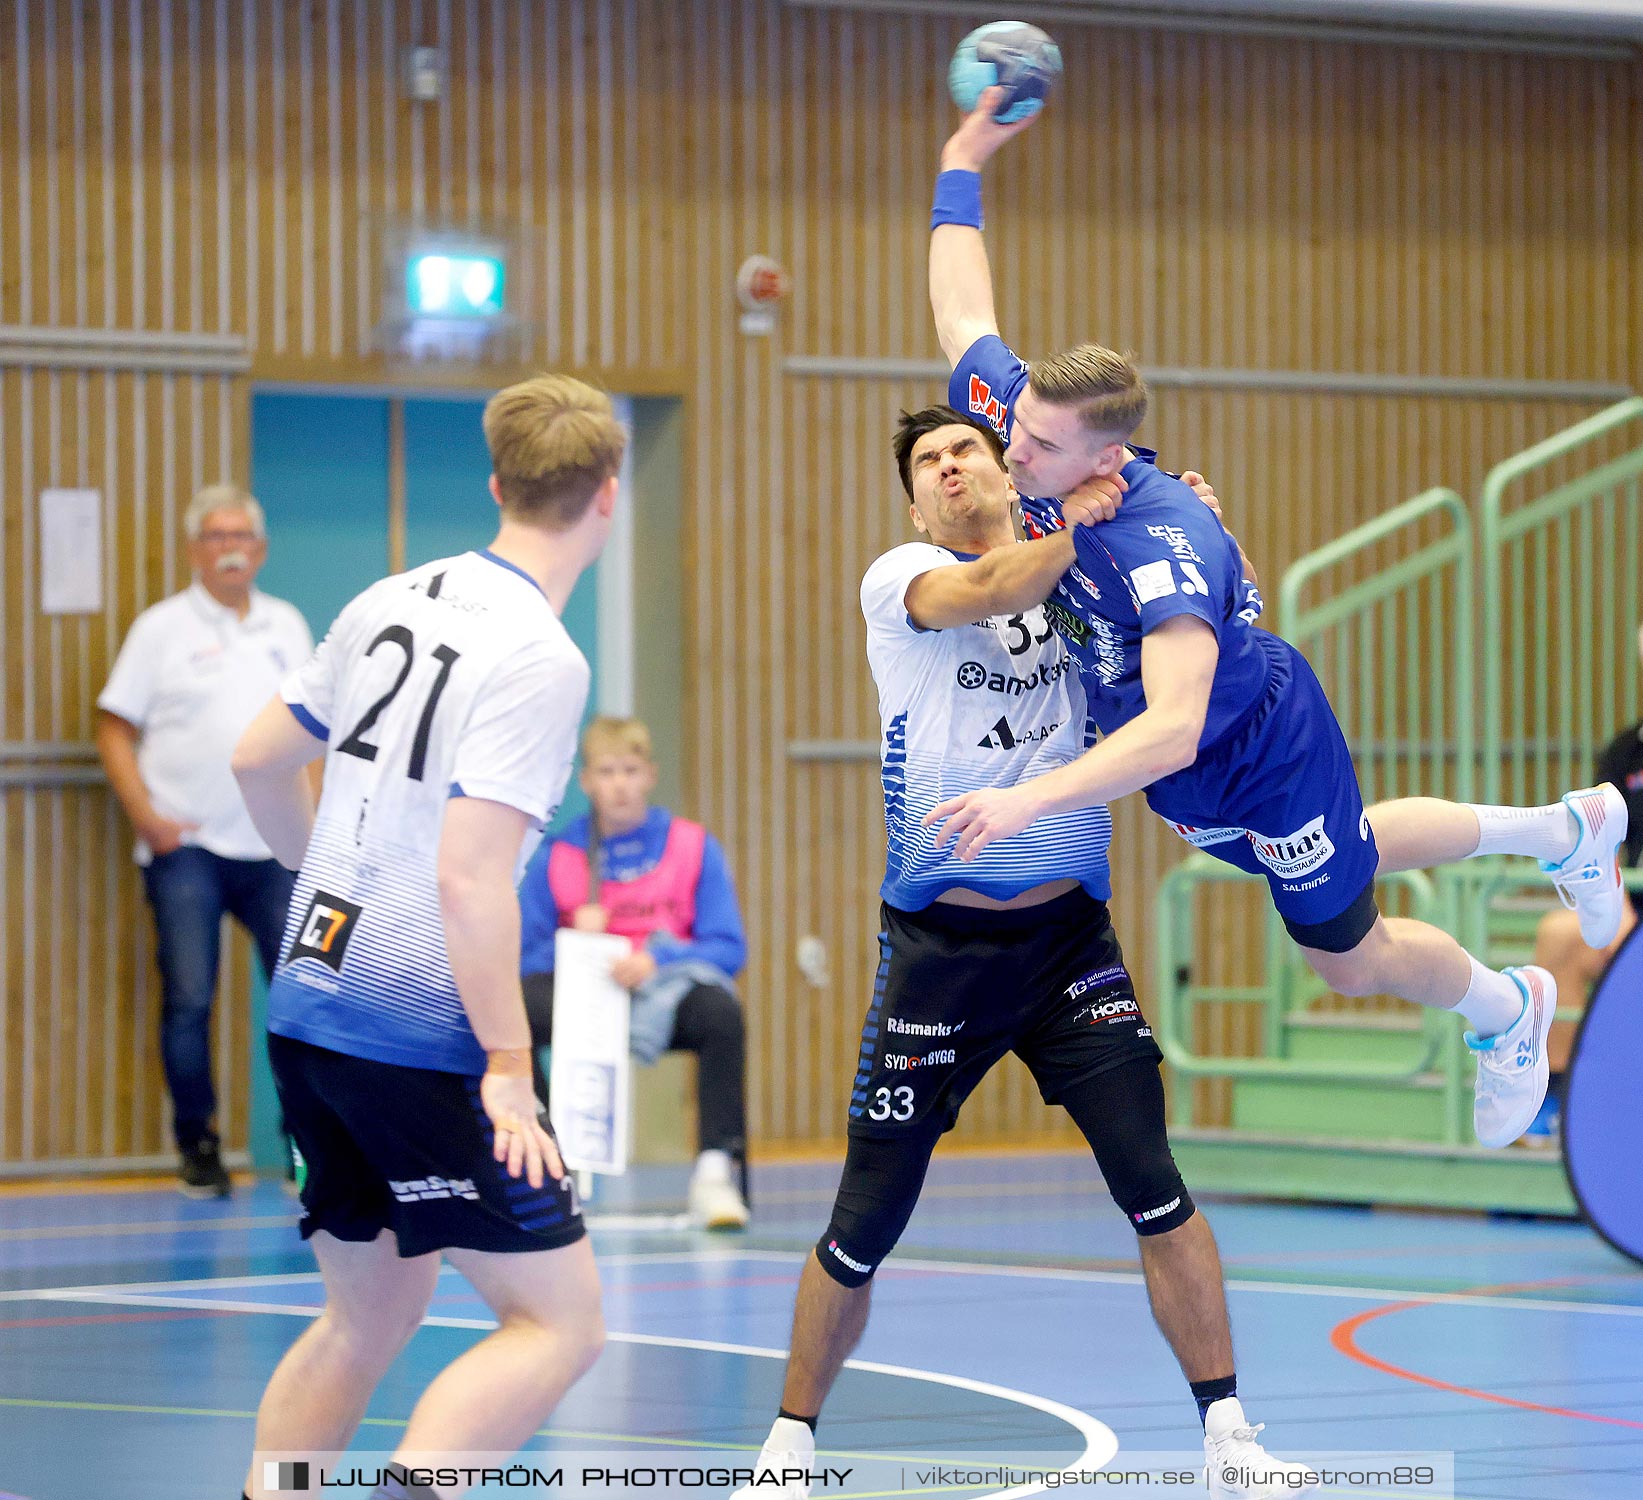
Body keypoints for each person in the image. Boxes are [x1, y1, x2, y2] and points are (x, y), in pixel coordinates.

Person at [922, 91, 1627, 1186]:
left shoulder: (1164, 543)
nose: (1008, 449)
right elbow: (961, 311)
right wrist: (962, 155)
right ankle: (1562, 829)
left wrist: (1024, 800)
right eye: (1017, 425)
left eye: (1041, 443)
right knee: (1353, 848)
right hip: (1199, 767)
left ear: (1105, 465)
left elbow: (1168, 729)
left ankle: (1505, 1006)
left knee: (1341, 957)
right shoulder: (1034, 439)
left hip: (1253, 753)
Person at [737, 407, 1319, 1500]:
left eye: (966, 449)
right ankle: (788, 1449)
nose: (950, 465)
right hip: (939, 952)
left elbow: (1200, 641)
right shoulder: (903, 576)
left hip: (1066, 948)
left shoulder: (1090, 576)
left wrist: (1188, 531)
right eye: (927, 461)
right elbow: (992, 589)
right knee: (862, 1223)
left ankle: (1230, 1439)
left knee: (1156, 1187)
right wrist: (1102, 518)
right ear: (915, 502)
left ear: (1008, 473)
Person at [229, 374, 624, 1500]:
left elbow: (258, 757)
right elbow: (467, 876)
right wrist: (507, 1064)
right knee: (558, 1324)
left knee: (366, 1313)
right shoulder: (543, 658)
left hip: (309, 1003)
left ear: (496, 483)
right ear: (609, 493)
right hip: (418, 1035)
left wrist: (317, 878)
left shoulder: (387, 595)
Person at [96, 482, 314, 1197]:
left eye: (242, 537)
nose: (230, 550)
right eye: (216, 537)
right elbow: (113, 727)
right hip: (185, 846)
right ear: (195, 550)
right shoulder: (161, 629)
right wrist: (148, 819)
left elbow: (315, 732)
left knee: (303, 995)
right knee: (189, 997)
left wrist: (316, 828)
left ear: (261, 549)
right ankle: (200, 1146)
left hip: (276, 847)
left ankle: (304, 1145)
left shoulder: (286, 624)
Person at [520, 714, 752, 1230]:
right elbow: (524, 953)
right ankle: (548, 1165)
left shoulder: (693, 846)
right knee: (518, 1009)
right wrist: (573, 946)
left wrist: (658, 959)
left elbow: (729, 948)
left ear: (650, 774)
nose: (619, 783)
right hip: (580, 1000)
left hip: (661, 993)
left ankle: (714, 1174)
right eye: (606, 771)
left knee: (719, 1013)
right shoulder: (558, 854)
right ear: (586, 782)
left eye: (630, 770)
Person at [1527, 606, 1643, 1125]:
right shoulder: (1628, 751)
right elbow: (1593, 838)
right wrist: (1614, 900)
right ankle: (1554, 1097)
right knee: (1560, 933)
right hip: (1641, 921)